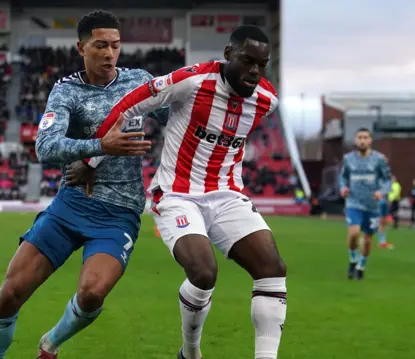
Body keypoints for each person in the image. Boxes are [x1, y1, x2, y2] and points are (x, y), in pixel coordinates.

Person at [71, 25, 291, 359]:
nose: (255, 72)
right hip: (177, 195)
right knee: (203, 272)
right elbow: (128, 105)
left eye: (262, 64)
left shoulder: (266, 100)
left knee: (272, 269)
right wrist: (92, 158)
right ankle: (190, 353)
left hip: (227, 195)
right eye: (248, 61)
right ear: (228, 54)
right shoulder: (192, 81)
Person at [0, 10, 169, 359]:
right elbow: (45, 147)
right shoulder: (67, 90)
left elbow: (179, 117)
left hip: (119, 213)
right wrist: (98, 147)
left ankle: (50, 343)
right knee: (9, 295)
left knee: (92, 293)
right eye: (100, 45)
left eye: (115, 45)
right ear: (81, 47)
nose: (110, 53)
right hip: (70, 206)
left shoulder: (139, 82)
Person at [339, 128, 391, 280]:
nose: (362, 140)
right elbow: (342, 177)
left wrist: (382, 191)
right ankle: (352, 260)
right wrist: (343, 187)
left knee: (368, 239)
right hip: (353, 202)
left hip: (372, 205)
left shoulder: (379, 159)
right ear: (355, 140)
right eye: (359, 137)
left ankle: (361, 265)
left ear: (370, 140)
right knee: (354, 233)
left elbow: (387, 179)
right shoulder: (348, 159)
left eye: (365, 137)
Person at [376, 176, 394, 249]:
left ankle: (382, 242)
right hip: (379, 202)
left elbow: (389, 191)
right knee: (379, 221)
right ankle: (381, 241)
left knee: (383, 222)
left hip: (384, 202)